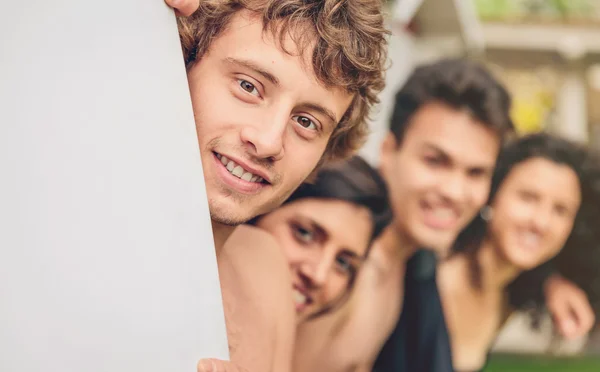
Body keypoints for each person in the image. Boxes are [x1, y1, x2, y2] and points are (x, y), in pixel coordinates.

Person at [291, 58, 595, 372]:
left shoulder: (416, 263)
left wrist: (552, 282)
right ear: (389, 152)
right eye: (435, 161)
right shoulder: (341, 268)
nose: (453, 191)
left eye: (475, 173)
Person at [172, 1, 388, 371]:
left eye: (306, 122)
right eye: (248, 86)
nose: (269, 141)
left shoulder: (267, 270)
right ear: (183, 61)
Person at [437, 133, 600, 371]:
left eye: (561, 210)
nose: (541, 222)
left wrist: (552, 283)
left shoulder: (511, 294)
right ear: (492, 195)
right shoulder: (435, 279)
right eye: (528, 198)